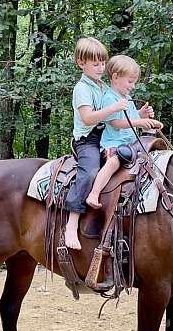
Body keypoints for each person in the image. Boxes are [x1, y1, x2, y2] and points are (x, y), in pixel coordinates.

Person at [64, 38, 128, 250]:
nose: (101, 68)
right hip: (87, 140)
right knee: (90, 171)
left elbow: (116, 116)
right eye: (96, 64)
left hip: (107, 136)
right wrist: (113, 108)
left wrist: (141, 115)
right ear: (81, 63)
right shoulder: (82, 88)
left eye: (103, 63)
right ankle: (72, 224)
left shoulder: (102, 86)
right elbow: (88, 118)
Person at [85, 55, 163, 210]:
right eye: (130, 81)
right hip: (113, 144)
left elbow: (131, 117)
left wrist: (142, 114)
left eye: (134, 82)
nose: (133, 86)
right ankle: (94, 193)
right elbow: (115, 122)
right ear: (115, 77)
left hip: (130, 145)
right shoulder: (109, 98)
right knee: (114, 161)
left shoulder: (127, 98)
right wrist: (139, 122)